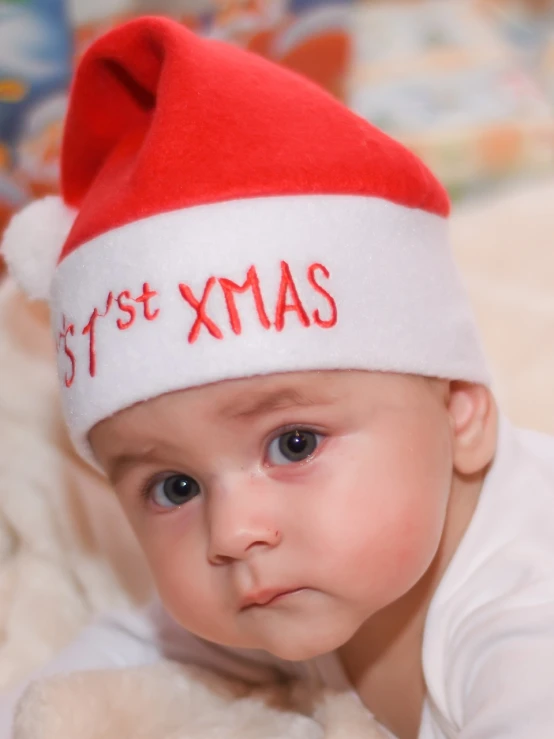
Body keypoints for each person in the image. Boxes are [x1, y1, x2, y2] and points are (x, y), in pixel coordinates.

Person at [1, 15, 554, 739]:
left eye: (293, 443)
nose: (231, 532)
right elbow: (119, 648)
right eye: (175, 487)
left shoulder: (521, 612)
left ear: (459, 413)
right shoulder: (290, 572)